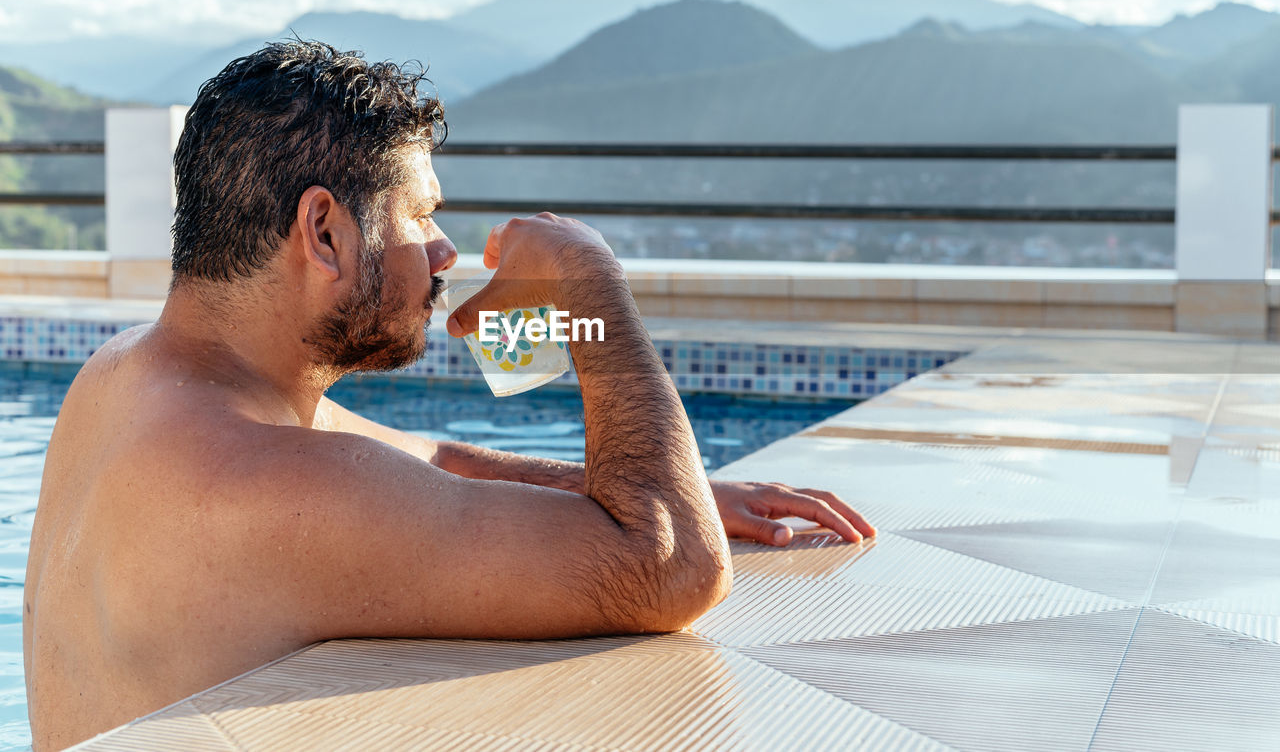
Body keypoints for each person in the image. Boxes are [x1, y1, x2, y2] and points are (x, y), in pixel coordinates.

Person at [23, 41, 874, 751]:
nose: (444, 255)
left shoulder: (127, 376)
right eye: (421, 216)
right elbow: (675, 569)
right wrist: (591, 286)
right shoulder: (264, 484)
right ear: (324, 231)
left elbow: (436, 458)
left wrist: (647, 488)